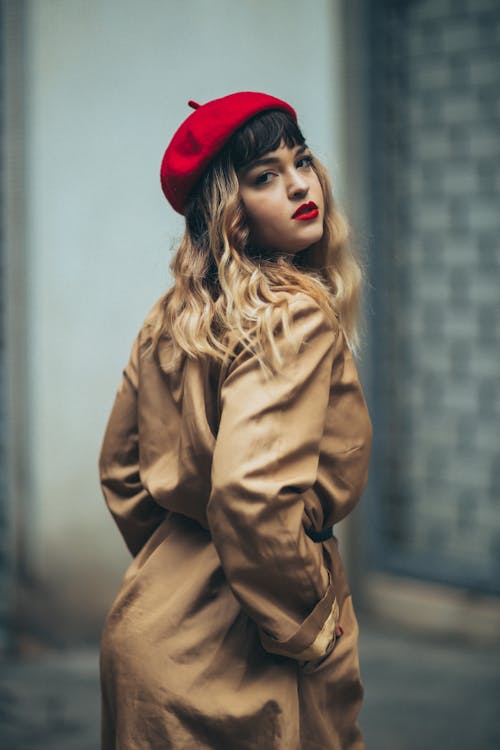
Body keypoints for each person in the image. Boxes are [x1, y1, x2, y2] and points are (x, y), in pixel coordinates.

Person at [98, 91, 373, 750]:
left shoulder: (170, 317)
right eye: (265, 176)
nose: (300, 183)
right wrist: (307, 625)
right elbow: (252, 498)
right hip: (243, 655)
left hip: (149, 633)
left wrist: (179, 565)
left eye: (300, 160)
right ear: (233, 214)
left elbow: (121, 475)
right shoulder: (294, 314)